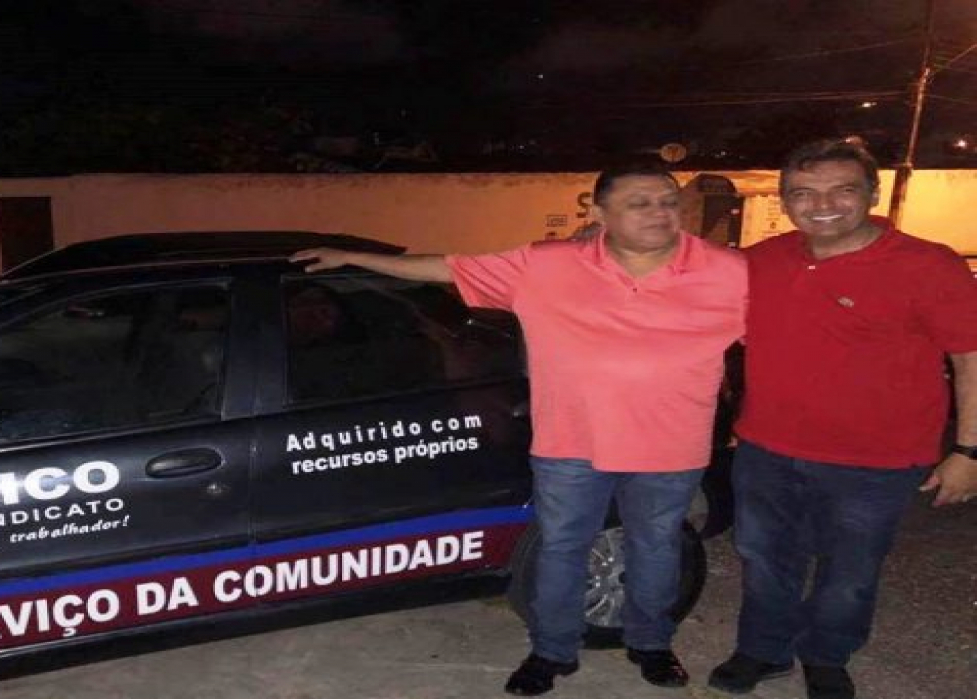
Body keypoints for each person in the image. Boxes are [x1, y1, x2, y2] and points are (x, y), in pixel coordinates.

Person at [292, 163, 747, 696]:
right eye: (639, 203)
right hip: (570, 444)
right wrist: (353, 258)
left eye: (668, 201)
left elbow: (788, 326)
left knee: (656, 547)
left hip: (669, 446)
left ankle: (651, 643)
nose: (659, 213)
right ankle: (552, 651)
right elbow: (445, 267)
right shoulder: (546, 265)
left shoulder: (728, 272)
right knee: (562, 548)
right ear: (599, 213)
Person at [708, 138, 977, 699]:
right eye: (804, 193)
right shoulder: (763, 260)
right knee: (763, 558)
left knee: (850, 573)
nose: (822, 205)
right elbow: (678, 277)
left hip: (875, 462)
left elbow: (970, 358)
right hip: (767, 449)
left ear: (872, 194)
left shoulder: (928, 265)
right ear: (785, 200)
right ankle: (764, 649)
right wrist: (597, 242)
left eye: (842, 190)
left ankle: (827, 655)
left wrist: (968, 451)